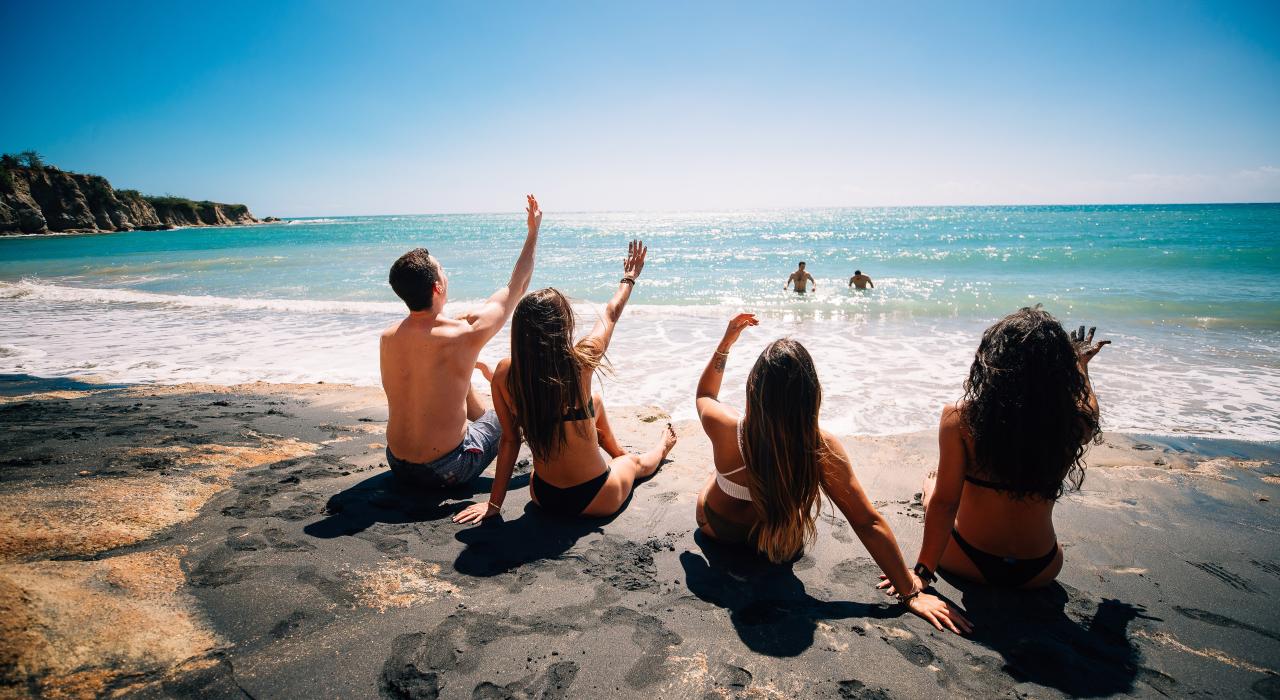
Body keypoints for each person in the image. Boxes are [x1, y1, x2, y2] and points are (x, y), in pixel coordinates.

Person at [694, 313, 972, 634]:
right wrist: (909, 591)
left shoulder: (727, 428)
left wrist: (726, 343)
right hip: (777, 543)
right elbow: (866, 522)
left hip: (718, 529)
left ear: (753, 389)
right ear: (811, 396)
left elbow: (704, 395)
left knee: (714, 480)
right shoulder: (821, 448)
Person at [881, 307, 1109, 592]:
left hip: (965, 560)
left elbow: (945, 505)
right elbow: (1090, 410)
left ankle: (929, 484)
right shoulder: (1072, 423)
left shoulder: (960, 418)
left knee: (935, 489)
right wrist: (1081, 367)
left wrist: (922, 573)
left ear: (995, 360)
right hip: (1041, 569)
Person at [453, 240, 678, 523]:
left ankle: (616, 450)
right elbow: (611, 313)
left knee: (592, 402)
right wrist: (629, 278)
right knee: (632, 463)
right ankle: (661, 447)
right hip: (596, 496)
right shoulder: (580, 363)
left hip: (543, 496)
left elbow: (509, 440)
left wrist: (494, 505)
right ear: (563, 327)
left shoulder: (504, 373)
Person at [380, 195, 542, 489]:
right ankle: (551, 456)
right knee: (513, 411)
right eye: (442, 269)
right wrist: (533, 233)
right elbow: (516, 286)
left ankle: (480, 420)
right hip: (447, 469)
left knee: (458, 372)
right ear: (437, 286)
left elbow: (434, 335)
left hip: (397, 463)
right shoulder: (463, 336)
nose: (446, 272)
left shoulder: (388, 337)